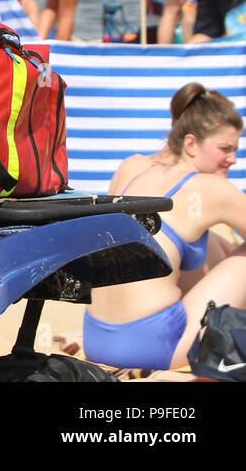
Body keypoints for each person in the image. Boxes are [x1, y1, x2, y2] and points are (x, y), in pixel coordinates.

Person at [83, 84, 246, 372]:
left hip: (97, 340)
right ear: (191, 144)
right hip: (154, 347)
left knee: (206, 243)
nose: (233, 159)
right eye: (226, 149)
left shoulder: (132, 168)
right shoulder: (210, 188)